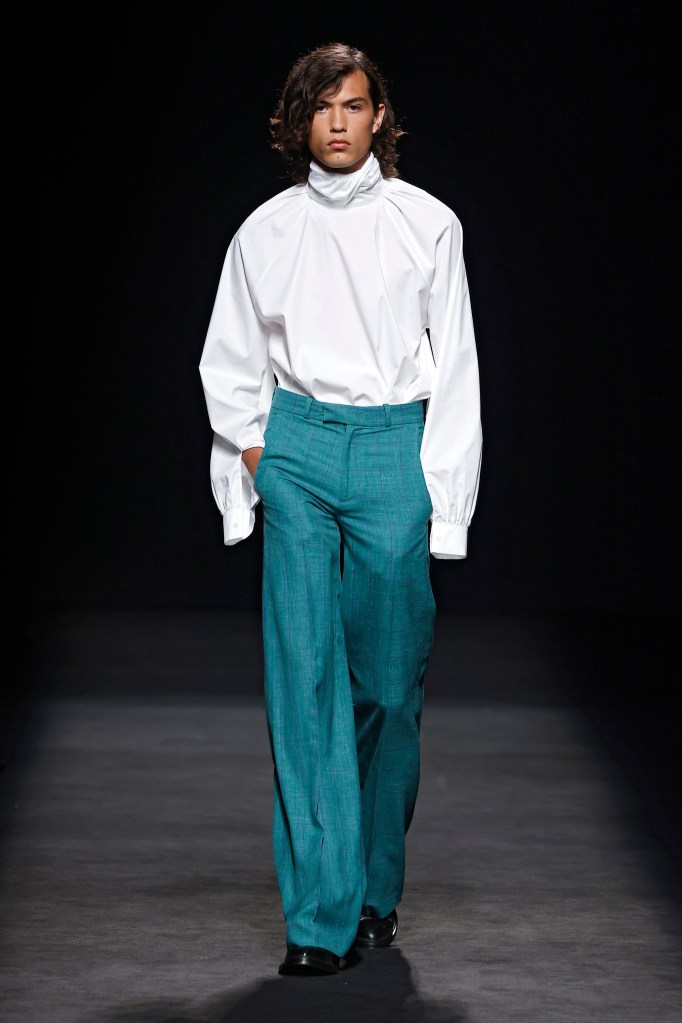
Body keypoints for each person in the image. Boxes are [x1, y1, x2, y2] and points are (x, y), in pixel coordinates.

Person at [199, 41, 482, 977]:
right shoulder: (265, 231)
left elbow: (458, 370)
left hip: (396, 448)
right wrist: (257, 461)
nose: (337, 121)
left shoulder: (427, 223)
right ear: (297, 121)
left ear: (378, 116)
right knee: (304, 681)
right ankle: (318, 917)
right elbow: (231, 356)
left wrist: (447, 501)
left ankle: (371, 889)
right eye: (321, 106)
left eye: (353, 105)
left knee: (389, 688)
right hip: (299, 451)